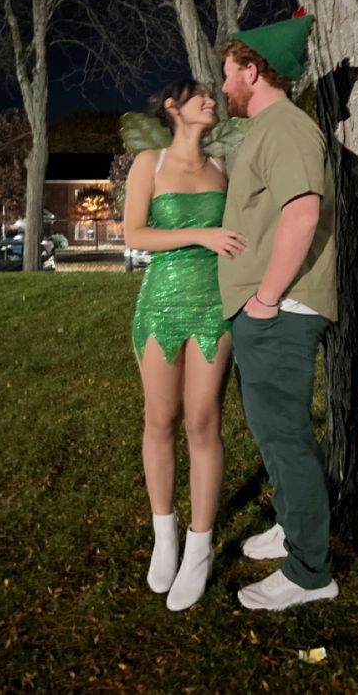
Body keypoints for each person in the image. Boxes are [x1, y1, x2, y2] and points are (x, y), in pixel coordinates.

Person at [218, 10, 339, 611]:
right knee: (274, 435)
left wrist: (264, 300)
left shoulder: (287, 127)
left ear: (251, 70)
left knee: (287, 440)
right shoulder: (269, 129)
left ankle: (311, 573)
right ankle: (294, 530)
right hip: (268, 308)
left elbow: (303, 213)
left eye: (226, 72)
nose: (221, 87)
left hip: (282, 309)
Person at [124, 80, 247, 612]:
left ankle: (200, 546)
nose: (209, 100)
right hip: (160, 303)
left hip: (213, 305)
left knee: (203, 421)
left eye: (210, 94)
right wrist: (200, 236)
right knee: (160, 420)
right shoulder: (148, 163)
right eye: (196, 94)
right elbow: (134, 234)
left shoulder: (224, 165)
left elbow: (246, 229)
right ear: (171, 107)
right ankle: (165, 536)